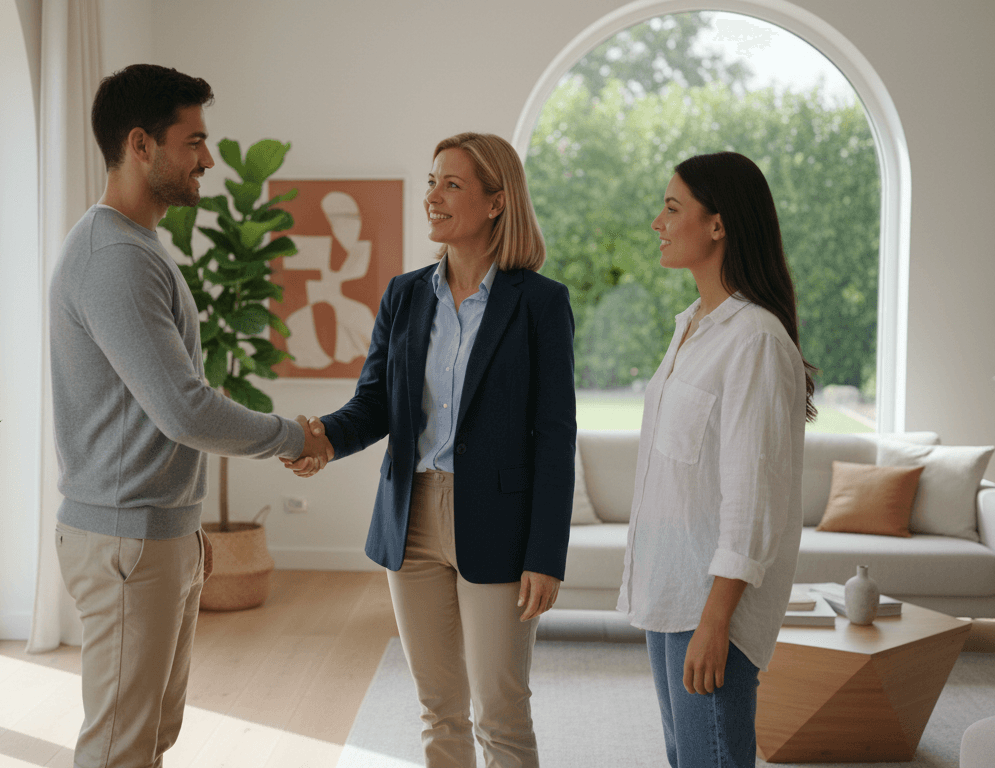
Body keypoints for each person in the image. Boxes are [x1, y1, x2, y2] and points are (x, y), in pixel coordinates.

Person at [49, 63, 331, 768]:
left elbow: (158, 411)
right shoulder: (113, 257)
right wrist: (292, 436)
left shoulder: (138, 247)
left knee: (150, 738)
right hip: (127, 539)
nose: (207, 159)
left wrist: (186, 529)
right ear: (141, 144)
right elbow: (183, 408)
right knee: (119, 748)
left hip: (154, 532)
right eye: (194, 141)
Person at [286, 132, 576, 768]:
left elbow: (556, 437)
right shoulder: (406, 294)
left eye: (452, 184)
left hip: (500, 524)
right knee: (438, 708)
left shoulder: (540, 303)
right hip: (410, 518)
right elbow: (374, 405)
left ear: (496, 202)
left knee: (500, 713)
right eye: (431, 182)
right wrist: (323, 439)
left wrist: (546, 554)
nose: (432, 197)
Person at [620, 151, 815, 768]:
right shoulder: (692, 327)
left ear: (718, 225)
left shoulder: (755, 340)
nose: (658, 222)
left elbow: (753, 500)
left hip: (709, 607)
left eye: (672, 208)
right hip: (671, 593)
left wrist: (715, 621)